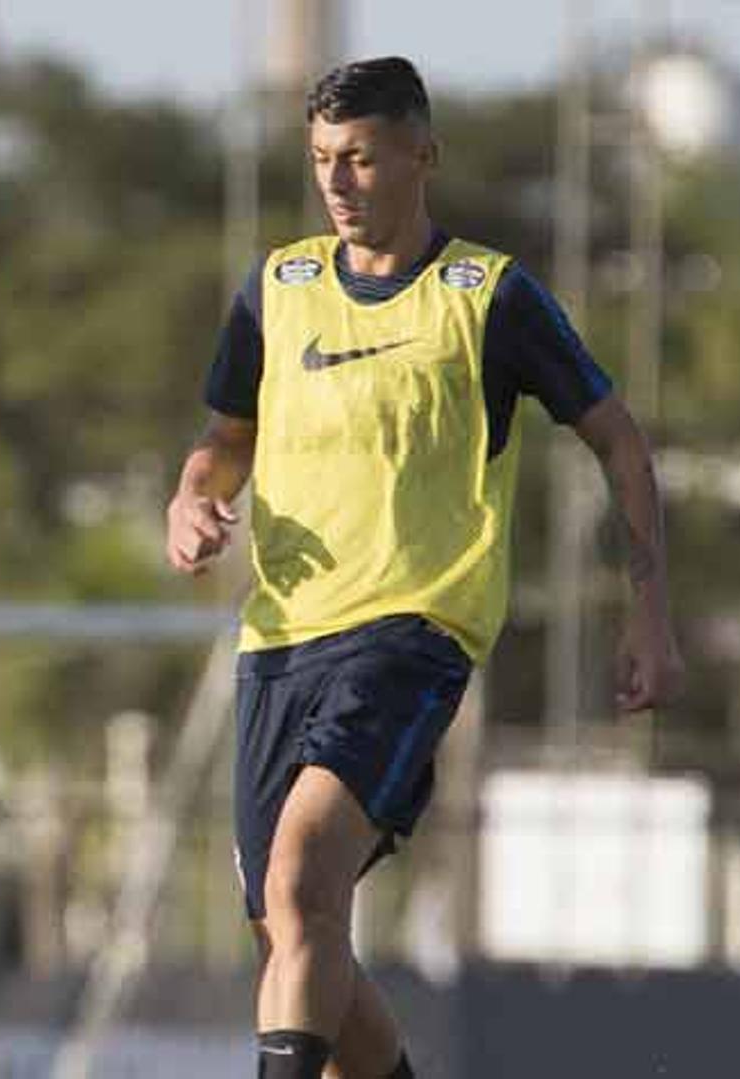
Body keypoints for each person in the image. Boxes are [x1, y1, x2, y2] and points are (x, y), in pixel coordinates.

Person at [164, 57, 683, 1079]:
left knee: (305, 880)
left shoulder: (486, 295)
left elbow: (619, 439)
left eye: (359, 157)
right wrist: (191, 495)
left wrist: (648, 609)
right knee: (292, 932)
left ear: (420, 155)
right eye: (322, 160)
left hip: (411, 629)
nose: (339, 182)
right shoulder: (279, 288)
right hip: (278, 637)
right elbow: (224, 436)